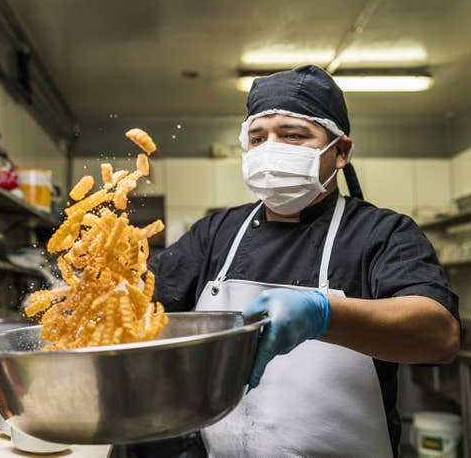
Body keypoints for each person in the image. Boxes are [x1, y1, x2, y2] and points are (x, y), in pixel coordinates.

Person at [144, 65, 460, 458]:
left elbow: (440, 337)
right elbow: (138, 308)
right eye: (257, 138)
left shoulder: (382, 234)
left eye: (292, 135)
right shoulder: (216, 233)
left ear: (341, 151)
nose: (270, 149)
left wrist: (323, 314)